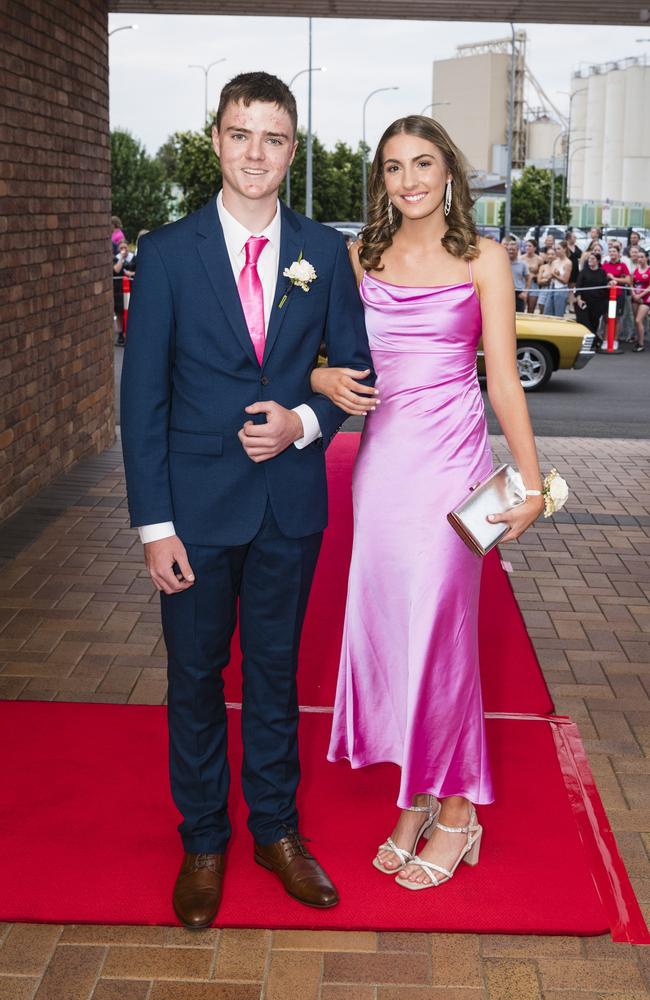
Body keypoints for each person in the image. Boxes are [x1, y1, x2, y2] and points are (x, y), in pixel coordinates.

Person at [120, 71, 374, 928]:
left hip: (288, 506)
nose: (254, 152)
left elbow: (354, 373)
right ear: (217, 141)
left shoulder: (324, 252)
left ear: (291, 149)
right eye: (240, 134)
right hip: (192, 512)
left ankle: (276, 832)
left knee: (273, 676)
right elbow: (141, 400)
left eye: (272, 137)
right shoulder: (164, 253)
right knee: (195, 677)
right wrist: (155, 527)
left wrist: (304, 422)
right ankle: (203, 841)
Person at [311, 115, 544, 891]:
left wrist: (533, 482)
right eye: (392, 167)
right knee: (391, 635)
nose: (407, 180)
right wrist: (318, 381)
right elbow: (315, 356)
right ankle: (414, 798)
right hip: (380, 472)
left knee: (443, 638)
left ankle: (456, 812)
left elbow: (503, 379)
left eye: (423, 163)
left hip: (454, 473)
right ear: (381, 180)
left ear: (450, 171)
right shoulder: (359, 257)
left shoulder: (486, 257)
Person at [575, 251, 609, 342]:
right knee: (584, 322)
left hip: (598, 302)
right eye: (589, 258)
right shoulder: (583, 271)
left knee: (594, 322)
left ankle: (592, 342)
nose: (590, 260)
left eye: (593, 259)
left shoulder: (602, 272)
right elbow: (578, 286)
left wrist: (610, 284)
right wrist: (579, 299)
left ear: (598, 261)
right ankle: (595, 340)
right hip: (584, 301)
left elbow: (605, 286)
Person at [602, 242, 631, 342]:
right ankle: (606, 340)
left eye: (614, 251)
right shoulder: (605, 265)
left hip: (618, 295)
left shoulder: (622, 265)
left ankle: (615, 340)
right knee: (607, 318)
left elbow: (628, 280)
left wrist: (615, 278)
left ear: (618, 253)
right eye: (610, 251)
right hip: (606, 295)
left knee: (616, 318)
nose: (612, 253)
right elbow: (601, 279)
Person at [113, 240, 135, 345]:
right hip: (118, 290)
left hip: (131, 288)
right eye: (121, 248)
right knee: (119, 312)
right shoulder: (116, 258)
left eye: (125, 248)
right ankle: (121, 334)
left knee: (131, 311)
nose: (124, 250)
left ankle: (130, 333)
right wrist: (121, 258)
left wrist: (132, 273)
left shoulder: (133, 258)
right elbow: (116, 270)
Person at [546, 240, 572, 317]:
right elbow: (550, 276)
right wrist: (552, 275)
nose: (557, 251)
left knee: (558, 314)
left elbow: (565, 281)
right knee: (547, 312)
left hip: (561, 290)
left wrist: (555, 275)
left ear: (564, 249)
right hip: (552, 287)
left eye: (559, 249)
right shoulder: (555, 262)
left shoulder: (568, 263)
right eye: (556, 249)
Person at [631, 246, 649, 352]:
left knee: (638, 320)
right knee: (637, 321)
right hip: (635, 298)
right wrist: (634, 294)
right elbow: (631, 284)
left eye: (642, 257)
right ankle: (639, 339)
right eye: (638, 257)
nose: (640, 259)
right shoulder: (635, 271)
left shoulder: (649, 270)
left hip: (646, 299)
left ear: (646, 258)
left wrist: (640, 296)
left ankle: (641, 343)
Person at [505, 239, 529, 311]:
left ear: (517, 250)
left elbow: (528, 279)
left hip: (519, 293)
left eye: (513, 249)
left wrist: (525, 292)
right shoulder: (502, 263)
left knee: (519, 316)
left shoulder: (523, 264)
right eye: (509, 249)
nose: (511, 251)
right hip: (505, 292)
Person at [521, 238, 542, 313]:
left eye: (530, 246)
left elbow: (541, 273)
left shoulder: (539, 259)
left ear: (534, 248)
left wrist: (534, 276)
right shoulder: (521, 258)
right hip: (523, 284)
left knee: (531, 309)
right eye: (526, 246)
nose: (527, 247)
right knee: (521, 308)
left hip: (534, 285)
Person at [536, 246, 555, 315]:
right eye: (548, 254)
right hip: (544, 290)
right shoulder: (543, 267)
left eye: (552, 254)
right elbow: (539, 281)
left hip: (554, 291)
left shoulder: (558, 266)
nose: (550, 256)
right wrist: (547, 280)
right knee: (542, 311)